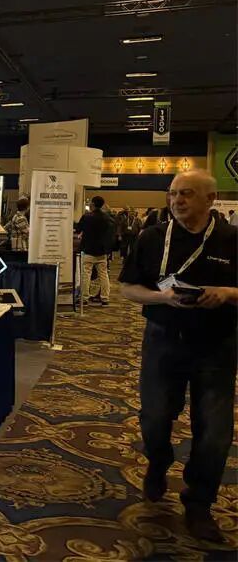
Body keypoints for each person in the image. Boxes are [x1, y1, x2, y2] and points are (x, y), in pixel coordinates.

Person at [119, 170, 237, 543]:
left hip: (216, 345)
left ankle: (199, 504)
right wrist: (162, 297)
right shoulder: (153, 237)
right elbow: (128, 288)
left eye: (186, 193)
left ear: (210, 199)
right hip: (163, 340)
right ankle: (158, 460)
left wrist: (226, 293)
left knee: (214, 430)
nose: (177, 200)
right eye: (172, 194)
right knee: (154, 416)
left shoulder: (232, 238)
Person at [76, 196, 115, 306]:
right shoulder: (108, 218)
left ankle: (84, 298)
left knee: (86, 274)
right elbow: (111, 235)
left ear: (92, 204)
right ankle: (105, 298)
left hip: (88, 249)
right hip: (102, 251)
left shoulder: (87, 217)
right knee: (103, 274)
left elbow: (78, 229)